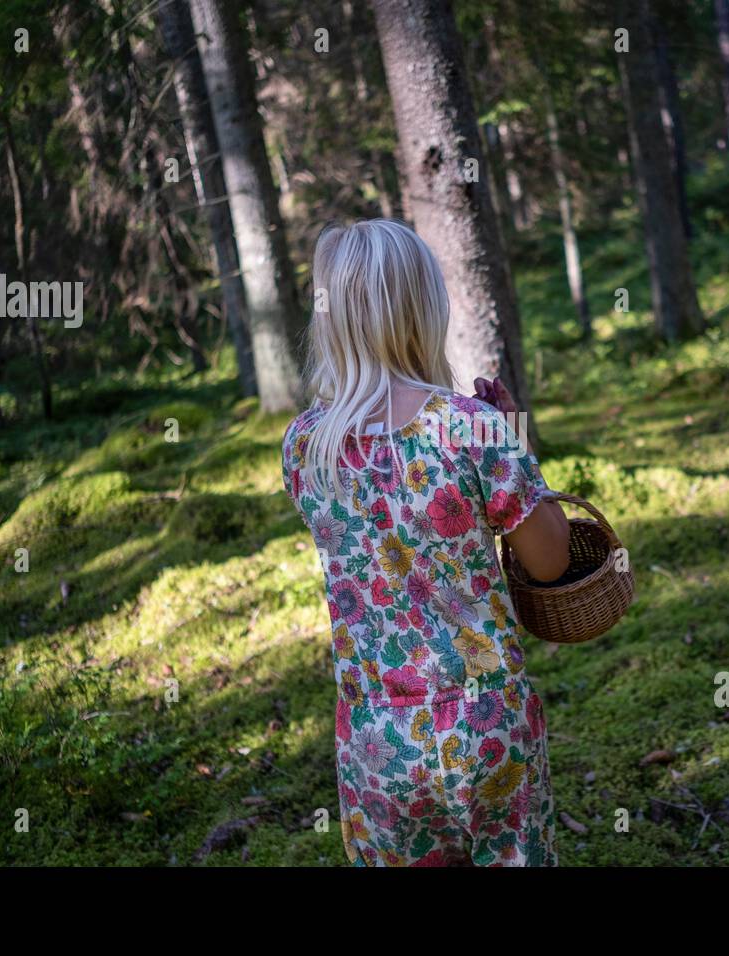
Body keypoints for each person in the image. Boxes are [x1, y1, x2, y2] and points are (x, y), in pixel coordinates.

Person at [280, 218, 572, 866]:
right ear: (422, 309)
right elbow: (551, 562)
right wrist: (511, 440)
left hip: (376, 738)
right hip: (484, 725)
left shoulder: (306, 446)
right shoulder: (470, 428)